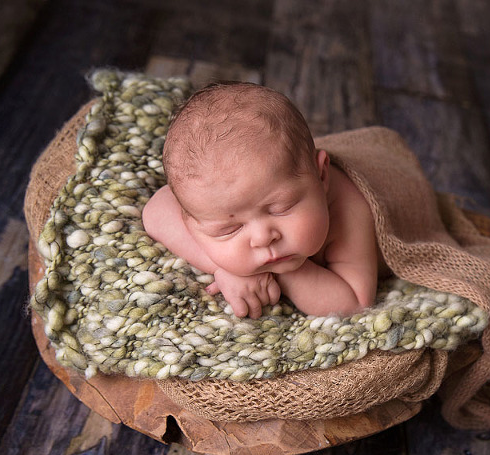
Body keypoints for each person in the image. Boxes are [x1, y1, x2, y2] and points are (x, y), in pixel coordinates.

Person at [142, 82, 389, 319]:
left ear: (321, 176)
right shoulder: (209, 195)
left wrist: (279, 274)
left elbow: (355, 302)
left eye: (281, 208)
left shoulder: (351, 209)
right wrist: (222, 267)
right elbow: (155, 212)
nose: (263, 238)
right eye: (230, 229)